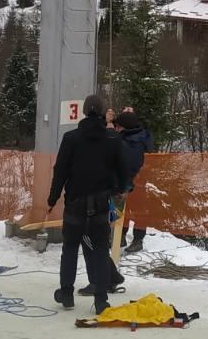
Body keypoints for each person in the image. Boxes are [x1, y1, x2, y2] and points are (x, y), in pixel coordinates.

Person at [47, 94, 130, 315]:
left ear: (84, 112)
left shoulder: (71, 138)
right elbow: (123, 170)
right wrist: (121, 188)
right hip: (102, 206)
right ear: (103, 113)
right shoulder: (112, 139)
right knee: (100, 251)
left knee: (70, 249)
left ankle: (66, 294)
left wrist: (52, 198)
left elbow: (60, 171)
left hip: (75, 204)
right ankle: (101, 300)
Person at [114, 109, 154, 255]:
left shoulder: (133, 142)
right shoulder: (137, 136)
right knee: (125, 208)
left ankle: (137, 240)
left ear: (125, 127)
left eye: (118, 126)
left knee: (137, 210)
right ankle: (120, 236)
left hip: (135, 180)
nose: (116, 129)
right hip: (133, 180)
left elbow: (130, 165)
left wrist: (125, 185)